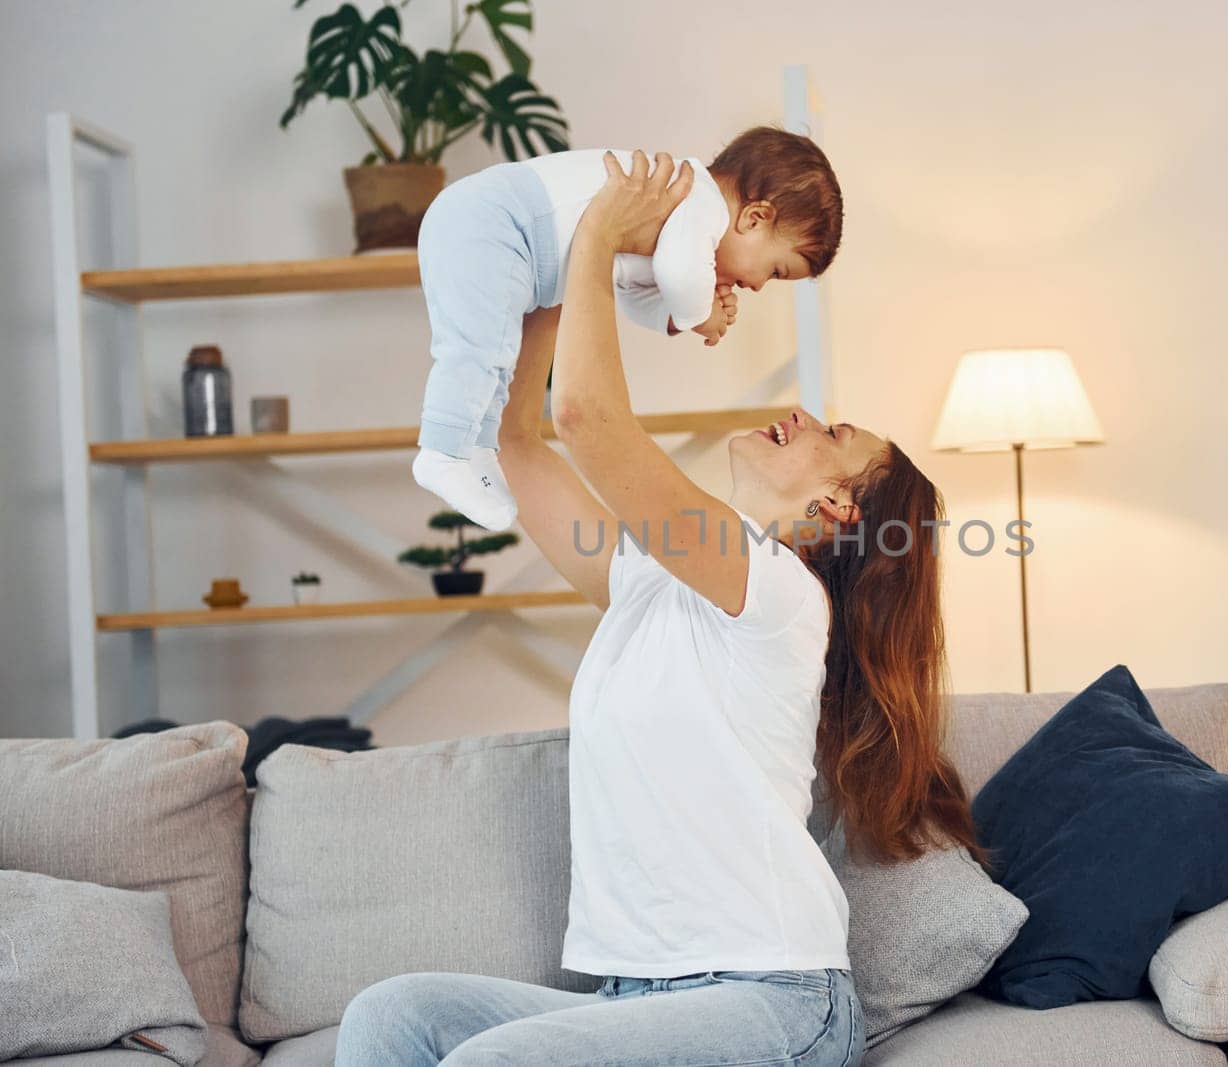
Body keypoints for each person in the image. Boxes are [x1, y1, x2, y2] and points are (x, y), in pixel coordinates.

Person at [337, 152, 985, 1067]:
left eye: (834, 435)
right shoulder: (651, 576)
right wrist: (554, 261)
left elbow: (589, 422)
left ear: (837, 510)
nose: (802, 414)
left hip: (773, 999)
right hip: (638, 998)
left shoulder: (777, 594)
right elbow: (518, 440)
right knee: (391, 1017)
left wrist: (601, 231)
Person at [411, 127, 844, 533]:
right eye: (773, 270)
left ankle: (478, 450)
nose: (756, 286)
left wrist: (675, 317)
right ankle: (442, 452)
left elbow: (635, 292)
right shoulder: (698, 201)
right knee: (479, 352)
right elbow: (679, 275)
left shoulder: (673, 220)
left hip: (506, 239)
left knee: (498, 358)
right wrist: (702, 313)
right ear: (754, 217)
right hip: (495, 224)